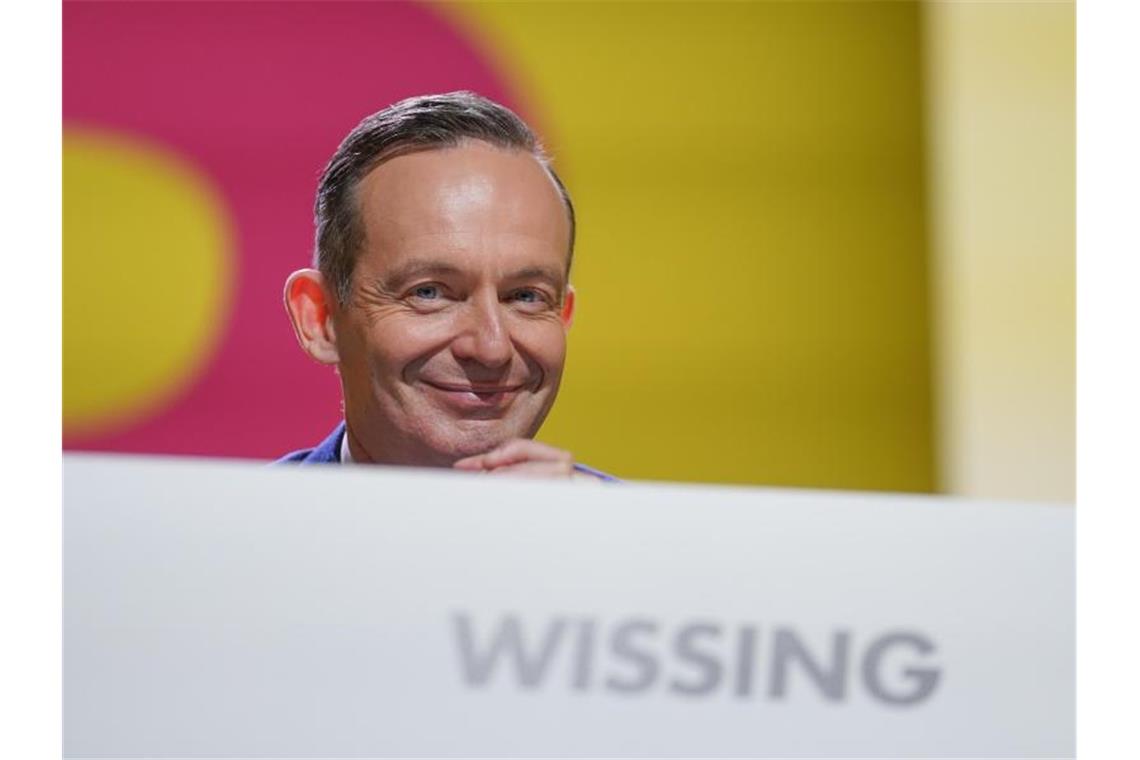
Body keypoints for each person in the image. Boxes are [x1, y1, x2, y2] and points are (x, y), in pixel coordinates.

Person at [278, 91, 614, 481]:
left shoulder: (648, 538)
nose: (491, 348)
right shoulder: (226, 537)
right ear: (320, 318)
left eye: (525, 297)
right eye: (429, 293)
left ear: (562, 314)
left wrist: (598, 537)